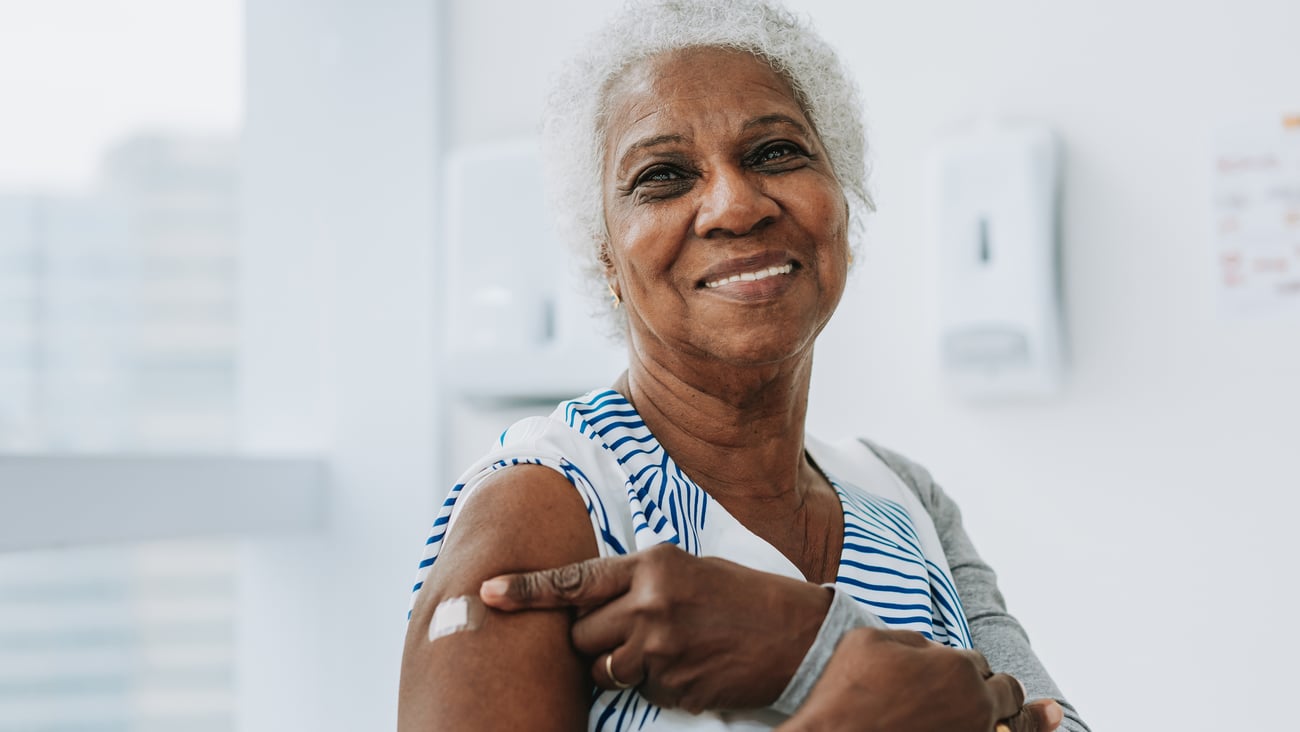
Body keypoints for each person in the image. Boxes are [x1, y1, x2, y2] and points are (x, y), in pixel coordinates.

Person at [399, 1, 1089, 730]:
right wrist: (843, 682)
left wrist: (804, 638)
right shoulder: (547, 507)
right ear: (606, 256)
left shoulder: (905, 500)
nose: (733, 204)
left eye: (775, 153)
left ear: (842, 206)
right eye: (663, 175)